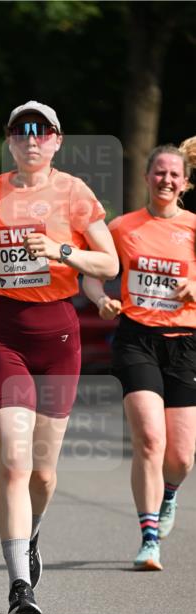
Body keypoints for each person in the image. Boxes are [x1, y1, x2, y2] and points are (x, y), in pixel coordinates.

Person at [0, 101, 118, 614]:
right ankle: (19, 582)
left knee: (43, 474)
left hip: (59, 335)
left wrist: (61, 252)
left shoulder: (74, 193)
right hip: (8, 334)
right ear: (9, 140)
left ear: (56, 142)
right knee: (14, 462)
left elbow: (109, 263)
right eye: (22, 132)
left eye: (41, 133)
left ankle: (33, 532)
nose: (31, 140)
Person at [83, 138, 196, 570]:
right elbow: (93, 271)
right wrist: (99, 299)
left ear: (184, 183)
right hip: (137, 339)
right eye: (159, 172)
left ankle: (168, 496)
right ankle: (149, 538)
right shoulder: (123, 228)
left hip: (186, 344)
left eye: (174, 174)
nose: (166, 179)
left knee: (181, 456)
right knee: (150, 438)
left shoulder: (193, 227)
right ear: (147, 177)